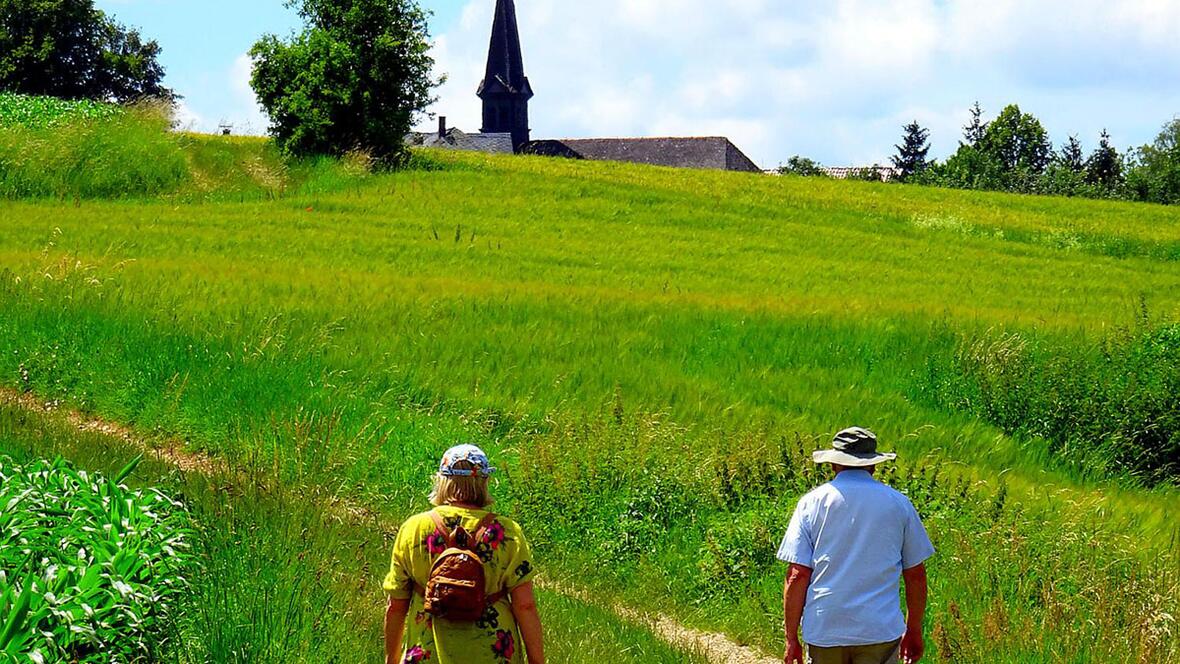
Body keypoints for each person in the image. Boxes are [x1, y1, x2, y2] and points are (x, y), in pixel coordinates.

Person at [778, 427, 934, 664]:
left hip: (825, 629)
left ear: (833, 464)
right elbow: (915, 575)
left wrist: (791, 638)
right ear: (873, 465)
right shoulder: (899, 504)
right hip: (879, 629)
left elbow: (797, 575)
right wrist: (913, 629)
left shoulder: (810, 504)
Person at [384, 445, 545, 664]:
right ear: (485, 482)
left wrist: (391, 659)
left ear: (442, 480)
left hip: (428, 654)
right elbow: (525, 605)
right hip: (492, 654)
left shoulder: (414, 528)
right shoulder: (507, 532)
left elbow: (396, 605)